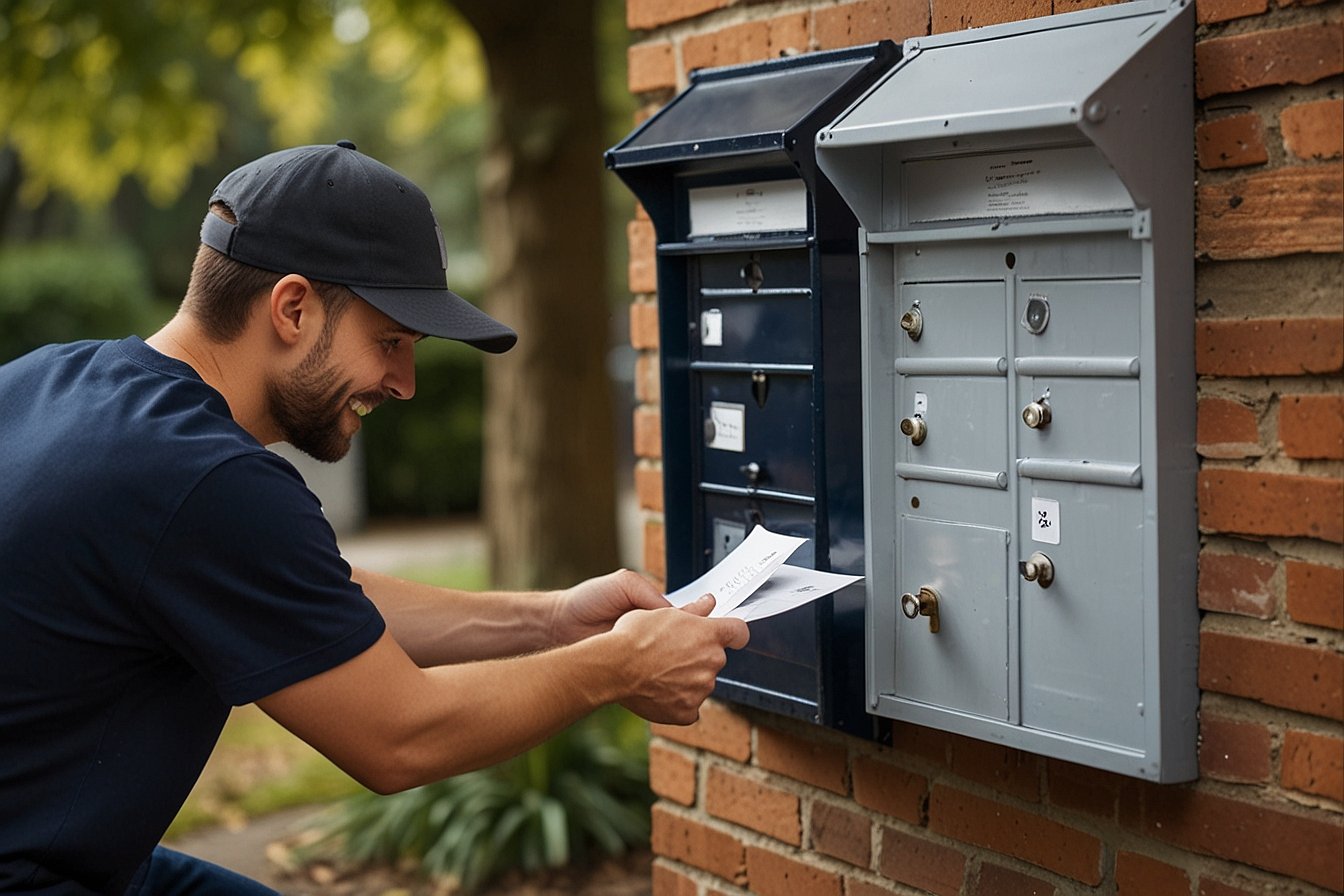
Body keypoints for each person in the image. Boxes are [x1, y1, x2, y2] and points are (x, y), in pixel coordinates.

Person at [0, 142, 750, 895]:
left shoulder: (49, 381)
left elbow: (310, 595)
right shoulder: (207, 479)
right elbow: (401, 735)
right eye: (388, 341)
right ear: (292, 308)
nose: (405, 382)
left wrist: (552, 619)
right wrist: (619, 667)